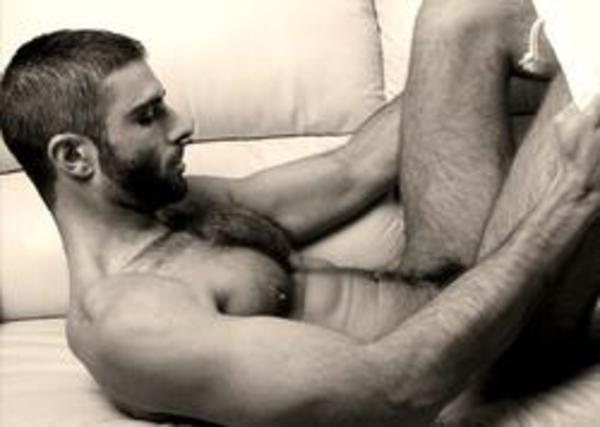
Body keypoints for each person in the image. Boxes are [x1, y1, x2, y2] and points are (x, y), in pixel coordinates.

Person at [0, 7, 598, 427]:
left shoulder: (173, 206)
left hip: (444, 278)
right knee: (590, 96)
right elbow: (394, 392)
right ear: (74, 157)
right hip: (480, 357)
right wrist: (570, 192)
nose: (183, 125)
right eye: (148, 116)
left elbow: (350, 172)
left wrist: (465, 74)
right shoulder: (129, 321)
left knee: (458, 18)